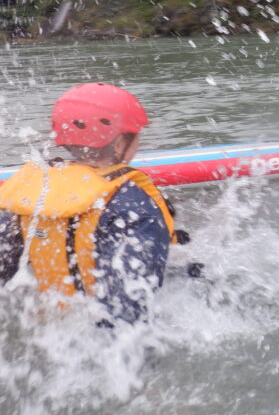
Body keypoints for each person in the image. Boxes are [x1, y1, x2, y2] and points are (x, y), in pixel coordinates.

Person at [0, 82, 186, 324]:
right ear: (120, 144)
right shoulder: (134, 205)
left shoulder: (31, 194)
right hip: (107, 341)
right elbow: (128, 305)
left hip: (56, 324)